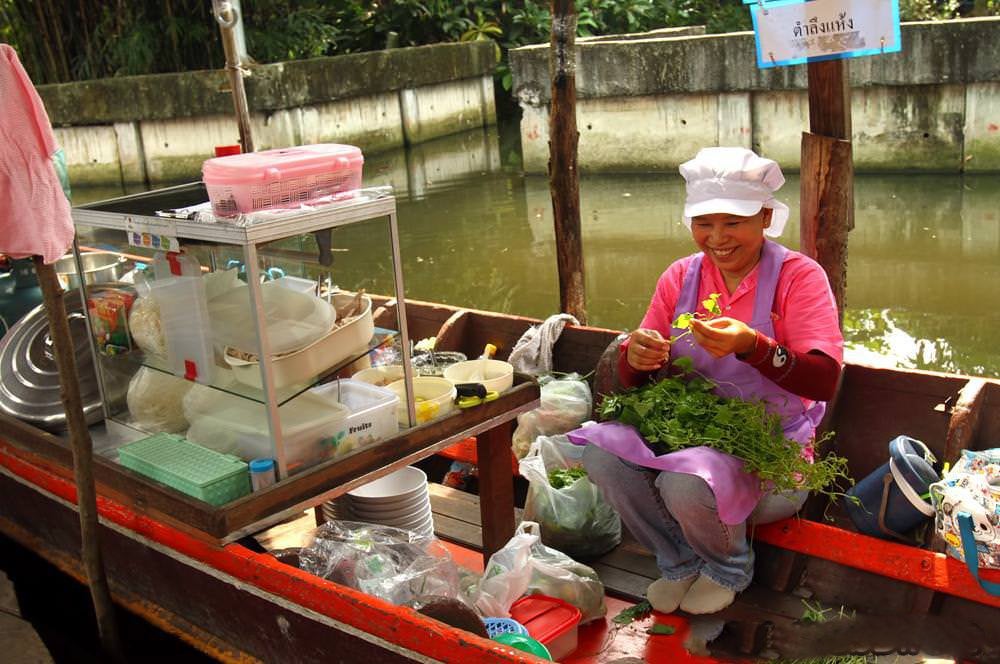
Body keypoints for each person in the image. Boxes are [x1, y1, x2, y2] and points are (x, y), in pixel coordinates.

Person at [573, 147, 844, 615]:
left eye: (733, 222)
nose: (717, 238)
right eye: (704, 223)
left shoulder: (799, 278)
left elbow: (824, 381)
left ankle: (727, 567)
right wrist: (636, 357)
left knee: (686, 483)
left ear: (764, 218)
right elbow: (633, 376)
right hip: (689, 436)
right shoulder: (680, 277)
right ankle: (678, 561)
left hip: (770, 451)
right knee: (602, 456)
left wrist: (753, 346)